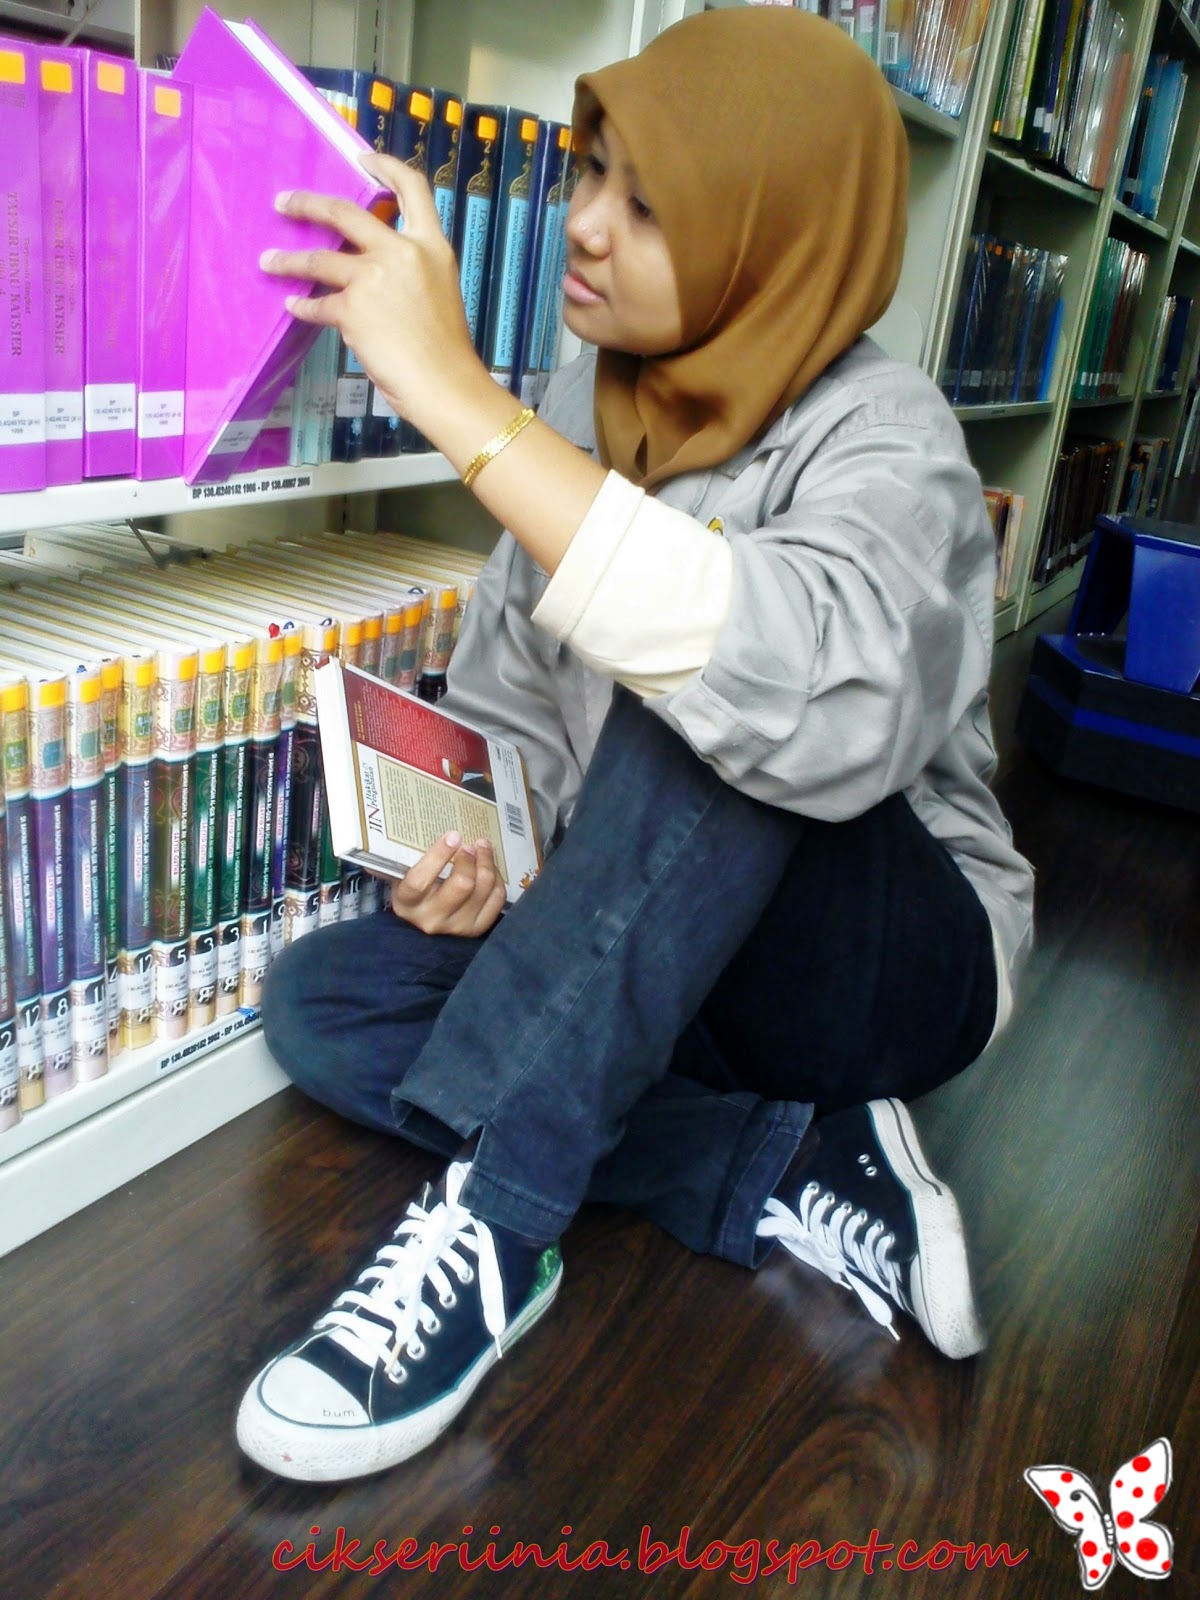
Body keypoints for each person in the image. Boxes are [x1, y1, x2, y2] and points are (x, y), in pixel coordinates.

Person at [236, 8, 1035, 1484]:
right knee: (325, 1000)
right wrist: (489, 844)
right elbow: (518, 712)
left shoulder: (894, 438)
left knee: (723, 692)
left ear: (772, 235)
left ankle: (497, 1227)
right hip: (653, 952)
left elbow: (805, 707)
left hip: (873, 965)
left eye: (650, 203)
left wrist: (457, 399)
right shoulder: (583, 397)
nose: (585, 224)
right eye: (590, 170)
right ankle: (781, 1160)